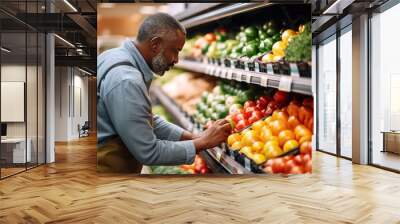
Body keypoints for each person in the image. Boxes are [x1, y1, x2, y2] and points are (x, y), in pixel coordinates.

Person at [97, 13, 231, 173]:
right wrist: (203, 143)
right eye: (175, 50)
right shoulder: (127, 80)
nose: (176, 60)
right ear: (155, 45)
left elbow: (141, 118)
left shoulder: (112, 55)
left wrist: (195, 137)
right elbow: (149, 152)